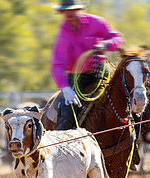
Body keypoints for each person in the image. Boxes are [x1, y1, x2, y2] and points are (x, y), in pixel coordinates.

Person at [51, 0, 124, 130]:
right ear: (62, 12)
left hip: (101, 73)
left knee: (126, 97)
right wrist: (66, 88)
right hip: (77, 79)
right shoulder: (63, 34)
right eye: (66, 10)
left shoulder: (96, 22)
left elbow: (117, 39)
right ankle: (63, 140)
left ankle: (134, 135)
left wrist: (106, 44)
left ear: (79, 9)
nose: (70, 13)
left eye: (73, 9)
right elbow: (58, 65)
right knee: (69, 112)